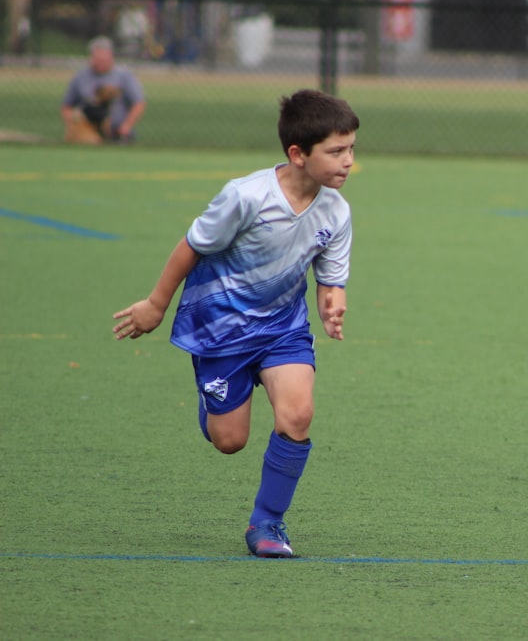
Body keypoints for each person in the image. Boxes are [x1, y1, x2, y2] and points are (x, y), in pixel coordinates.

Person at [112, 90, 359, 558]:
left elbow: (331, 276)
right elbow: (191, 246)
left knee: (298, 415)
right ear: (298, 154)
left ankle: (267, 523)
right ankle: (220, 392)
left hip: (283, 327)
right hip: (220, 329)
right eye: (336, 151)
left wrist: (332, 303)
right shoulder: (245, 196)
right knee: (229, 442)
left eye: (351, 149)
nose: (348, 161)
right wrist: (155, 305)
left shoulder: (337, 211)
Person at [61, 36, 146, 144]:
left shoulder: (125, 76)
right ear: (91, 57)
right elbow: (66, 106)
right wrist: (72, 127)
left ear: (111, 57)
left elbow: (139, 103)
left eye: (104, 60)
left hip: (117, 130)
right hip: (89, 130)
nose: (101, 63)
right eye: (97, 59)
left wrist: (126, 126)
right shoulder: (80, 77)